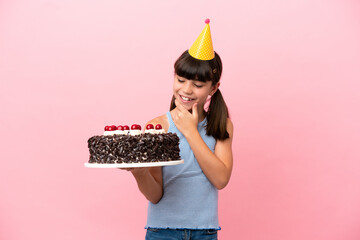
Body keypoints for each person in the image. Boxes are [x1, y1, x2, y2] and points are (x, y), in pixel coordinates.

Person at [126, 19, 233, 240]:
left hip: (205, 231)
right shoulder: (158, 126)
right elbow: (155, 195)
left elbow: (221, 179)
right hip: (162, 231)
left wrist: (191, 131)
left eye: (198, 84)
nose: (186, 90)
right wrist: (139, 172)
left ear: (213, 88)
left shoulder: (221, 125)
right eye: (180, 79)